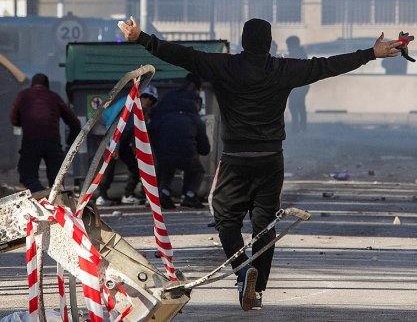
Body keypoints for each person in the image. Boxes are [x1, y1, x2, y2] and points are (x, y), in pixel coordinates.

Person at [119, 16, 401, 311]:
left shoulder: (224, 66)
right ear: (269, 43)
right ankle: (258, 288)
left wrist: (141, 37)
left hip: (236, 159)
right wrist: (371, 53)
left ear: (243, 40)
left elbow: (181, 54)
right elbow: (326, 66)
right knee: (264, 226)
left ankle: (242, 273)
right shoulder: (283, 69)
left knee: (226, 218)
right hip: (270, 159)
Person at [9, 73, 81, 193]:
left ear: (32, 85)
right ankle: (57, 201)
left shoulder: (23, 96)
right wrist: (69, 144)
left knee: (27, 174)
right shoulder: (54, 97)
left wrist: (24, 124)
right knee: (56, 180)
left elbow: (13, 118)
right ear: (47, 86)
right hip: (52, 143)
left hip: (31, 141)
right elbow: (75, 123)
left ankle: (40, 193)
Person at [149, 73, 210, 210]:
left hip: (162, 149)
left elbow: (152, 125)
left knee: (166, 165)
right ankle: (189, 195)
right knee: (196, 169)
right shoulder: (194, 116)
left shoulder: (168, 99)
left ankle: (163, 193)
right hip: (186, 151)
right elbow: (204, 148)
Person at [96, 85, 159, 206]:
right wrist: (114, 146)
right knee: (109, 164)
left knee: (135, 165)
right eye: (146, 97)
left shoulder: (142, 112)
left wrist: (136, 148)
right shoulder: (127, 102)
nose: (148, 101)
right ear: (140, 96)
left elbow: (135, 131)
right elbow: (112, 122)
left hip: (122, 139)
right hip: (108, 134)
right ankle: (101, 196)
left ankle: (128, 194)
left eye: (152, 100)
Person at [285, 35, 310, 134]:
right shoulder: (300, 53)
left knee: (294, 106)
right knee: (299, 105)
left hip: (298, 84)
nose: (287, 47)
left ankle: (297, 127)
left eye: (288, 45)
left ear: (293, 44)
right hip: (300, 84)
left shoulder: (297, 54)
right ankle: (301, 127)